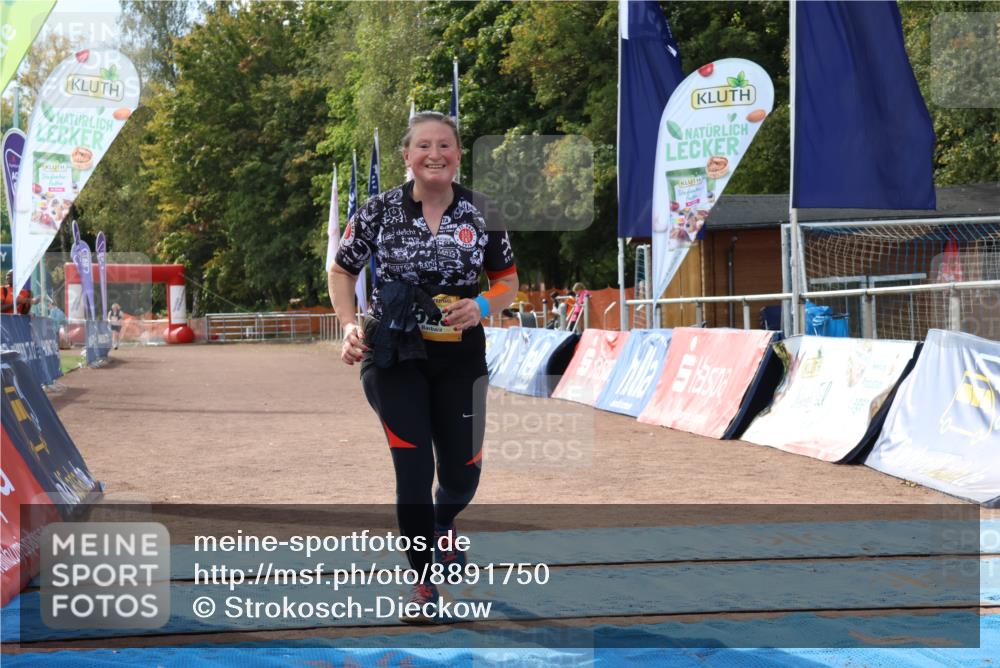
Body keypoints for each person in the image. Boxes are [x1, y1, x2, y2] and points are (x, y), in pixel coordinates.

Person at [328, 111, 517, 624]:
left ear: (458, 155)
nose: (435, 154)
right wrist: (348, 325)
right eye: (423, 146)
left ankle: (445, 523)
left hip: (461, 357)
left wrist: (480, 306)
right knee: (412, 470)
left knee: (461, 476)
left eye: (446, 146)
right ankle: (423, 583)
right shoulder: (378, 210)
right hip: (392, 351)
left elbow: (508, 283)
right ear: (407, 156)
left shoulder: (482, 211)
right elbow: (342, 269)